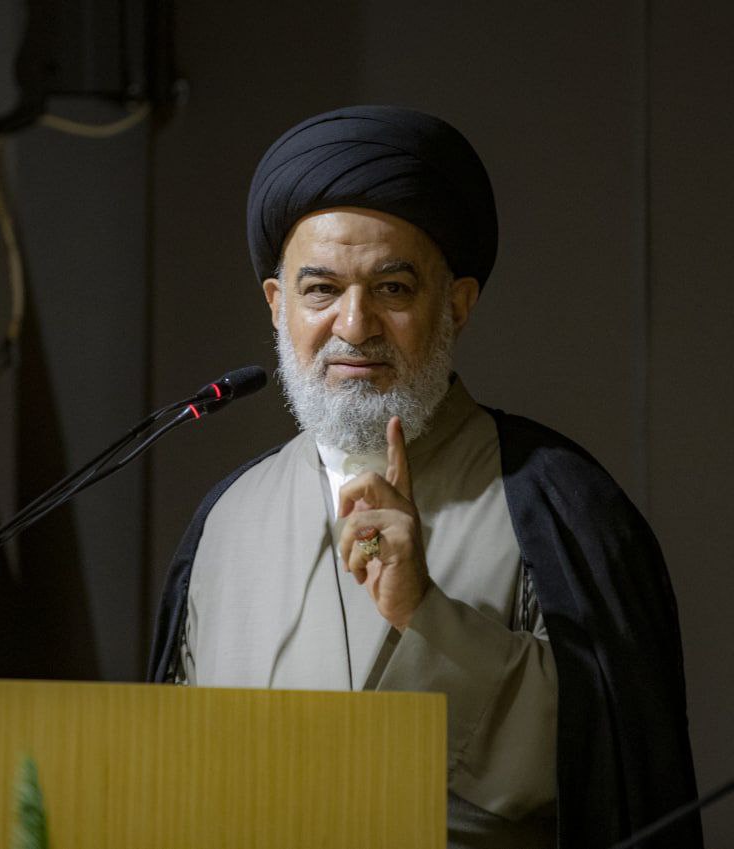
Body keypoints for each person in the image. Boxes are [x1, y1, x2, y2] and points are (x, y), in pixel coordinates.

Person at [148, 106, 701, 849]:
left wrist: (426, 614)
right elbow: (175, 779)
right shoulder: (227, 520)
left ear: (457, 304)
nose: (354, 326)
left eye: (393, 289)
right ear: (278, 307)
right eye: (320, 290)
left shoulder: (555, 503)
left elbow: (606, 773)